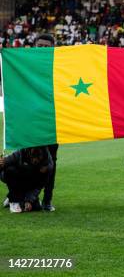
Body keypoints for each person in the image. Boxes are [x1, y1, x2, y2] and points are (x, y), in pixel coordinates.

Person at [33, 33, 59, 212]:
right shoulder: (23, 64)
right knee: (25, 160)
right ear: (34, 46)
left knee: (50, 163)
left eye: (46, 46)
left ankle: (47, 199)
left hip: (53, 123)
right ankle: (17, 195)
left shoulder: (59, 66)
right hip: (30, 122)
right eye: (39, 45)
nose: (42, 49)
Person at [0, 146, 53, 213]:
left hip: (30, 182)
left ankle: (20, 198)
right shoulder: (21, 152)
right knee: (10, 170)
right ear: (29, 151)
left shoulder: (47, 167)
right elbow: (7, 161)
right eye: (33, 155)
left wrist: (29, 200)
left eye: (38, 156)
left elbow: (38, 186)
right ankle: (14, 200)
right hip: (16, 178)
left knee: (36, 206)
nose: (35, 160)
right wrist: (1, 164)